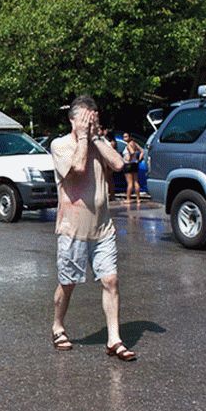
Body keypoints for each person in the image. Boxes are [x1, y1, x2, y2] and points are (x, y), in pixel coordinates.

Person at [49, 96, 136, 361]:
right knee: (69, 283)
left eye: (93, 118)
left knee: (111, 280)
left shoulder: (99, 143)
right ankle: (58, 325)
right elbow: (78, 167)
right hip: (72, 228)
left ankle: (114, 339)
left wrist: (96, 137)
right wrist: (84, 138)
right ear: (72, 120)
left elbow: (119, 164)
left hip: (102, 228)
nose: (90, 123)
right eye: (85, 119)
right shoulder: (60, 145)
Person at [122, 132, 143, 204]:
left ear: (130, 137)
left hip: (128, 165)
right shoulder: (135, 143)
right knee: (136, 182)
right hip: (135, 164)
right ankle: (138, 198)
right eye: (124, 137)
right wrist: (139, 159)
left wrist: (130, 159)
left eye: (126, 136)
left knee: (130, 183)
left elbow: (132, 152)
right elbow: (142, 151)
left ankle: (128, 198)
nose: (124, 138)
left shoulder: (128, 145)